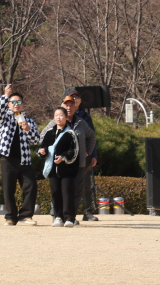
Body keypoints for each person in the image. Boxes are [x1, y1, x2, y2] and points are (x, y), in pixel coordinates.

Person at [40, 92, 96, 225]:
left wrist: (88, 151)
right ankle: (57, 216)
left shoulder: (81, 122)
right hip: (58, 165)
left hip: (78, 164)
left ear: (75, 107)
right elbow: (43, 136)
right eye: (66, 105)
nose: (69, 108)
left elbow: (92, 136)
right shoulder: (54, 122)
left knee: (76, 192)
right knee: (57, 191)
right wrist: (48, 150)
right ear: (62, 106)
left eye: (71, 105)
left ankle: (71, 216)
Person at [0, 83, 40, 226]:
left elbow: (36, 140)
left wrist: (28, 129)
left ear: (23, 104)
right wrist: (5, 96)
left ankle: (26, 215)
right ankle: (11, 216)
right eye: (13, 102)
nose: (16, 105)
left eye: (19, 102)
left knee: (31, 186)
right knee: (8, 188)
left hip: (24, 159)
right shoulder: (4, 119)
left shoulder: (29, 121)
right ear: (8, 105)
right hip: (7, 158)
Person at [38, 107, 80, 227]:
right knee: (55, 193)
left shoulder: (70, 133)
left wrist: (63, 158)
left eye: (61, 115)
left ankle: (69, 218)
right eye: (56, 115)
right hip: (52, 171)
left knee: (67, 193)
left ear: (66, 117)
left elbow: (74, 151)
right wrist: (42, 151)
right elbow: (42, 147)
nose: (58, 118)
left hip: (67, 170)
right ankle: (58, 217)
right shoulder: (49, 133)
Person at [65, 88, 98, 221]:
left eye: (77, 97)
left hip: (83, 157)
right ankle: (65, 213)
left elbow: (92, 136)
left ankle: (87, 211)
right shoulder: (61, 115)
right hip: (66, 157)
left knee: (85, 185)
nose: (75, 100)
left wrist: (92, 153)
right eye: (72, 97)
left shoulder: (85, 116)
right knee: (67, 185)